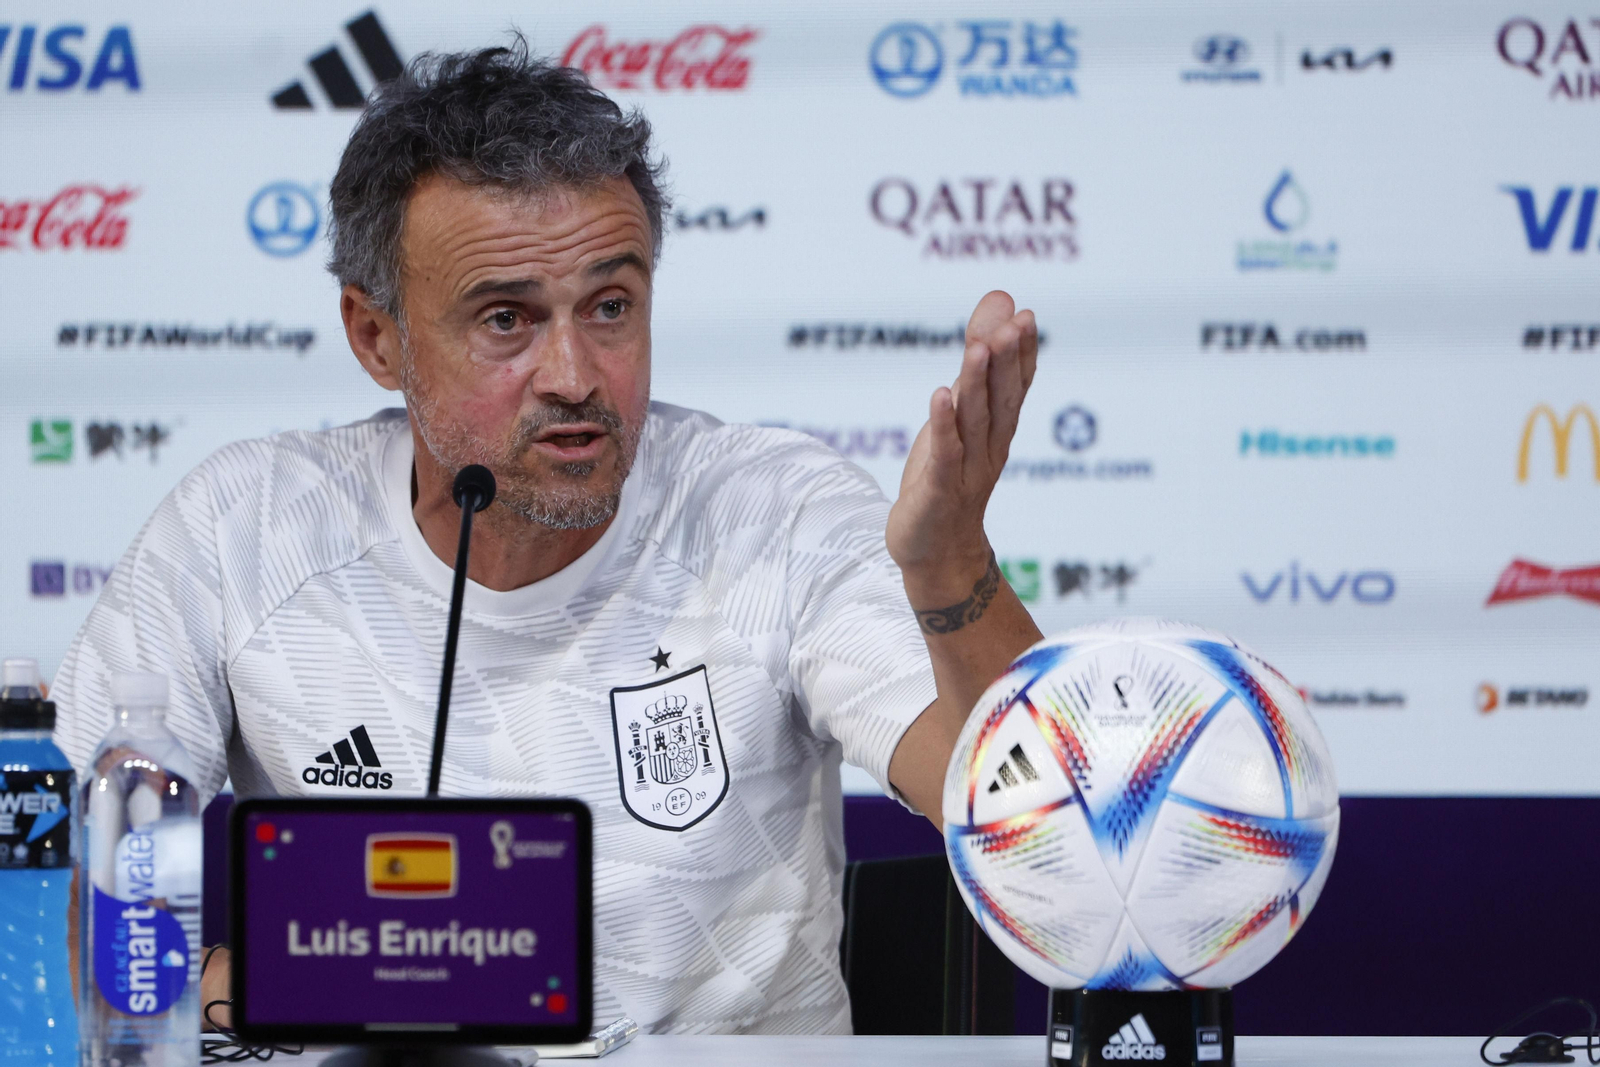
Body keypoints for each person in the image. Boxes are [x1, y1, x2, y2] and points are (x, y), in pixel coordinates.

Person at [51, 40, 1042, 1035]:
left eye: (610, 307)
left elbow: (1031, 828)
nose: (573, 374)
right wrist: (281, 990)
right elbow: (59, 884)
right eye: (506, 319)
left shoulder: (769, 511)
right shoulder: (245, 528)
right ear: (377, 337)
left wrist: (952, 569)